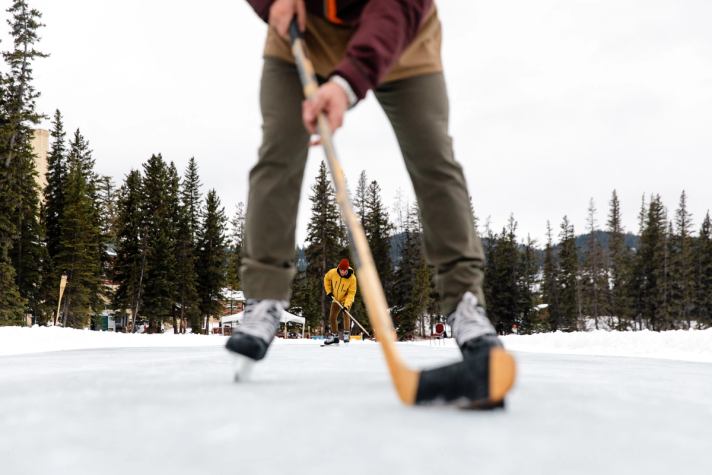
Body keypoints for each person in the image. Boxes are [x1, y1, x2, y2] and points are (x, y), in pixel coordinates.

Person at [226, 0, 501, 373]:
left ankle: (463, 301)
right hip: (304, 32)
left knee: (433, 157)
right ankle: (264, 295)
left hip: (399, 39)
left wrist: (346, 84)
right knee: (278, 153)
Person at [322, 258, 357, 345]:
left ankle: (346, 334)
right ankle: (335, 336)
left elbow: (351, 293)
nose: (342, 272)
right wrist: (329, 291)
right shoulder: (333, 272)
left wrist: (346, 305)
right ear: (339, 268)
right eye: (341, 270)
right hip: (336, 298)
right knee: (332, 317)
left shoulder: (352, 278)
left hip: (346, 299)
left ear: (347, 269)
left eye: (344, 270)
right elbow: (326, 278)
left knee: (346, 313)